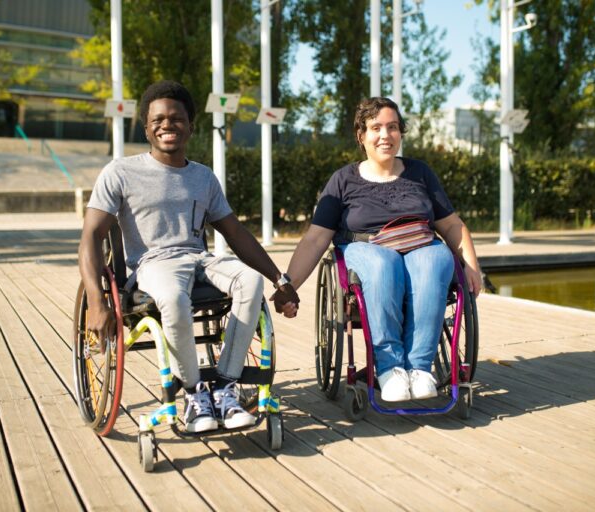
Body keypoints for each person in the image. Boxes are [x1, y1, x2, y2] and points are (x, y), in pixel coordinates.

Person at [79, 80, 299, 433]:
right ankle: (195, 395)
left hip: (200, 259)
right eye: (158, 120)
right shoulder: (120, 173)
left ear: (190, 126)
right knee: (171, 297)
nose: (167, 125)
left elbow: (236, 233)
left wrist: (280, 279)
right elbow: (90, 237)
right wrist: (95, 299)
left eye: (176, 119)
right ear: (146, 128)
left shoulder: (203, 177)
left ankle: (226, 386)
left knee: (249, 281)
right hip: (153, 264)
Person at [274, 97, 482, 402]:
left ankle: (420, 368)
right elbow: (316, 238)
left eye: (393, 127)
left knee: (436, 259)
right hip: (365, 248)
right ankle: (391, 368)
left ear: (401, 133)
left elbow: (451, 225)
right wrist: (288, 285)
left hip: (420, 244)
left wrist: (472, 267)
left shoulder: (420, 173)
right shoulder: (344, 180)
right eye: (376, 128)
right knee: (384, 264)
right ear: (362, 135)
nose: (385, 135)